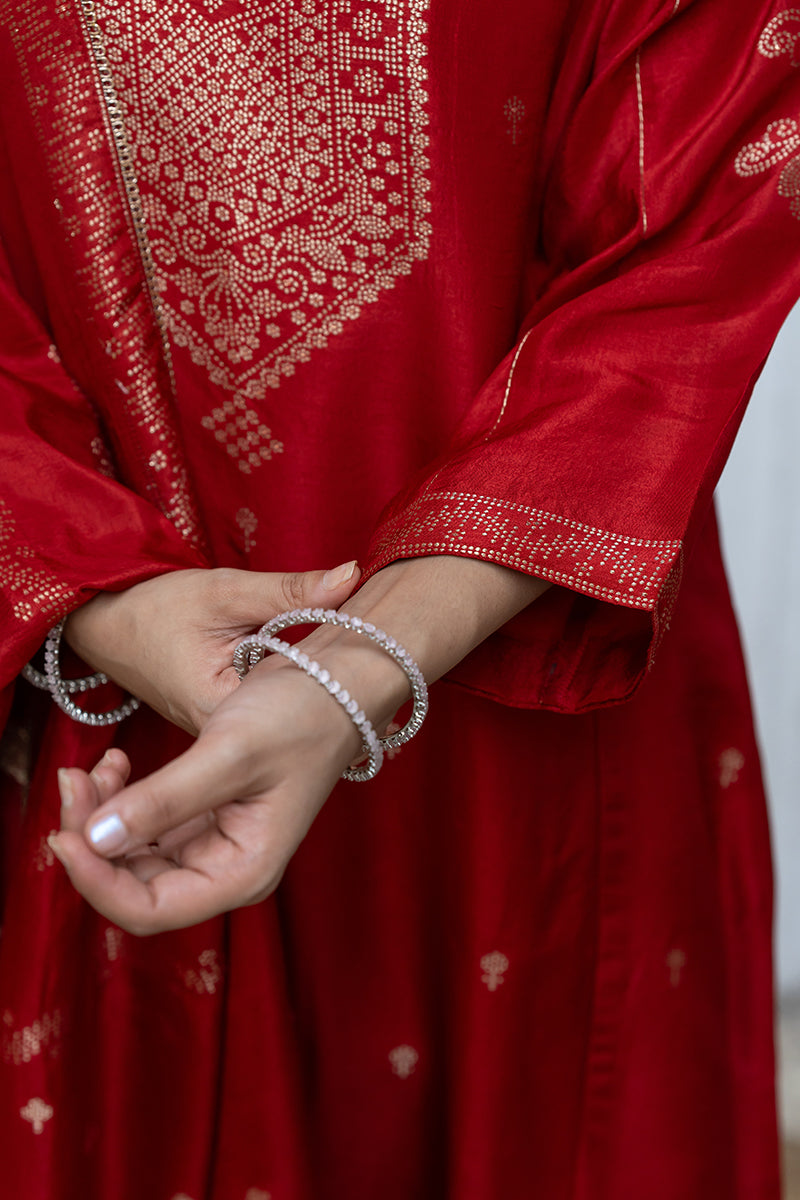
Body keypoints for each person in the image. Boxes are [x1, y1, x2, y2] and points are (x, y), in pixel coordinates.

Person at [0, 1, 797, 1196]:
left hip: (525, 659)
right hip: (87, 691)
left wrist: (365, 663)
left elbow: (702, 202)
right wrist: (96, 595)